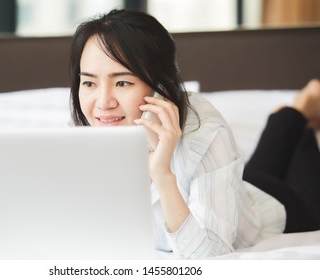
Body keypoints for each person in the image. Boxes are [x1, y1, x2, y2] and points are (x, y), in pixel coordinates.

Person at [68, 9, 320, 259]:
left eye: (123, 82)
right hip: (238, 186)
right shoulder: (79, 134)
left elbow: (209, 255)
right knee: (254, 173)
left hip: (278, 209)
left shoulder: (205, 131)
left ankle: (300, 117)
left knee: (304, 164)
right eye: (89, 82)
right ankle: (290, 114)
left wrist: (162, 174)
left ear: (160, 87)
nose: (102, 104)